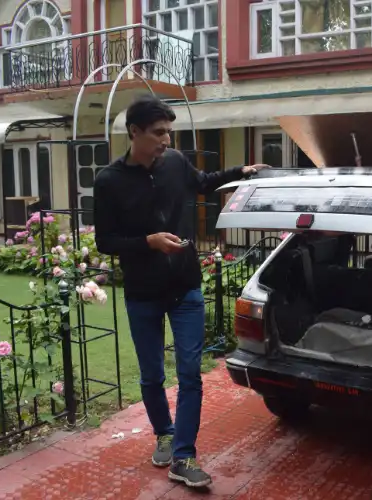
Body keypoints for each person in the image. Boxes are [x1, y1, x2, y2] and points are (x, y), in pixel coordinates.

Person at [93, 94, 268, 489]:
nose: (166, 141)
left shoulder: (173, 163)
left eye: (169, 133)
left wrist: (240, 170)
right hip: (143, 293)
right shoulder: (109, 181)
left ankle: (184, 456)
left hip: (186, 287)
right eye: (158, 133)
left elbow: (202, 183)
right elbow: (106, 240)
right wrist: (148, 241)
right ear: (134, 132)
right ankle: (165, 433)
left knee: (191, 375)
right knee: (153, 376)